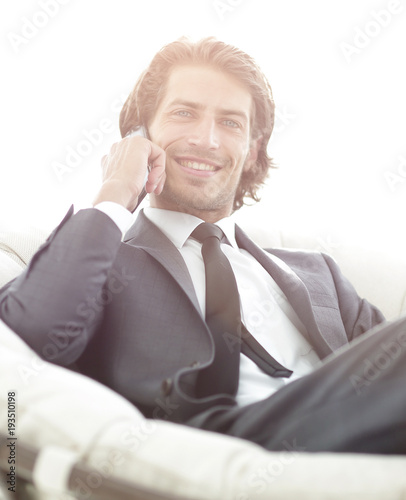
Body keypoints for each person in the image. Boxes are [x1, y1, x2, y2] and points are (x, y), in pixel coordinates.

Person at [1, 37, 405, 454]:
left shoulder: (318, 273)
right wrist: (117, 189)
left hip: (352, 434)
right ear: (140, 134)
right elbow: (32, 333)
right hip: (206, 443)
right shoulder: (99, 256)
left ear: (252, 152)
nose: (207, 139)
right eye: (184, 113)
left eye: (230, 123)